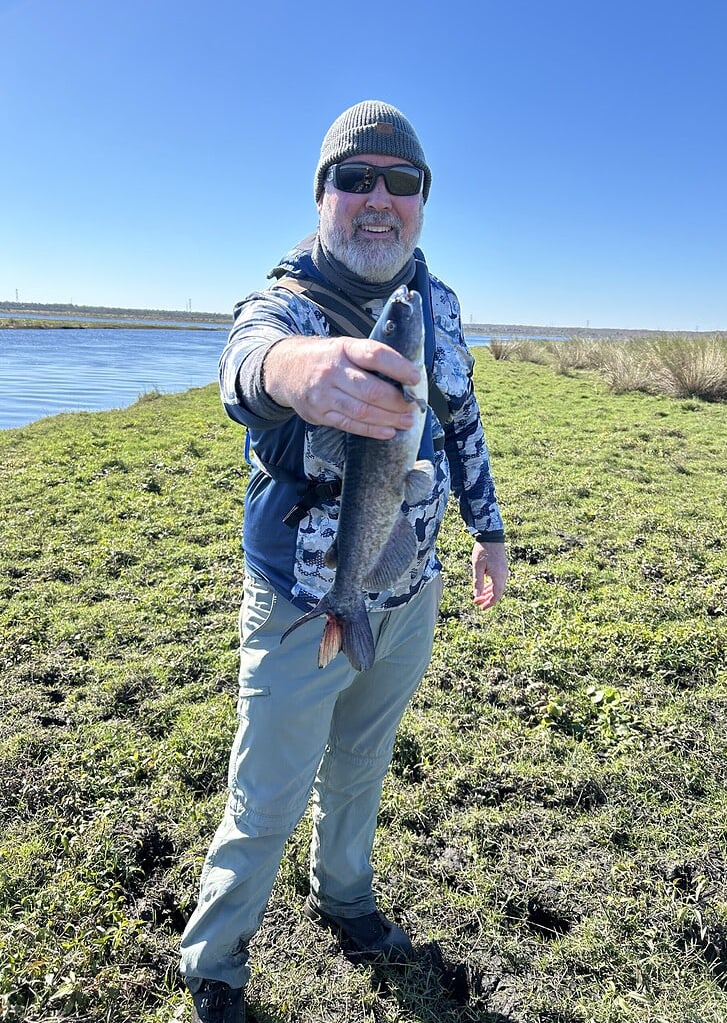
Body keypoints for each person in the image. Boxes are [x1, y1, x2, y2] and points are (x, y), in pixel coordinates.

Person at [178, 99, 508, 1023]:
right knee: (268, 792)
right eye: (355, 178)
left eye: (400, 182)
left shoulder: (434, 304)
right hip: (301, 601)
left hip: (408, 585)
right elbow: (245, 364)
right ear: (322, 193)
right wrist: (297, 371)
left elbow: (462, 420)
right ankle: (213, 962)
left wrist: (489, 532)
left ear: (421, 202)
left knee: (362, 762)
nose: (378, 199)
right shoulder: (287, 302)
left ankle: (346, 897)